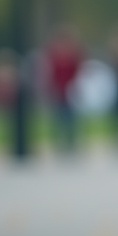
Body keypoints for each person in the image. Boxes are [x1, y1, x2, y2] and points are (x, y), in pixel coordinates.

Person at [44, 26, 84, 156]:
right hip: (59, 92)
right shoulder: (54, 55)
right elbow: (52, 74)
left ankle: (71, 144)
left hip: (70, 92)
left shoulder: (73, 54)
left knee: (71, 120)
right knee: (59, 119)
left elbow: (78, 71)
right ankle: (60, 145)